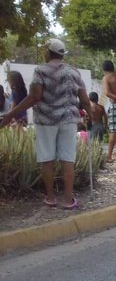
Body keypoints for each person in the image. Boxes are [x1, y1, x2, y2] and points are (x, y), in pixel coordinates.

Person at [0, 38, 92, 209]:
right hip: (68, 120)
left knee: (47, 158)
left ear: (48, 52)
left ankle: (50, 197)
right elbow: (85, 99)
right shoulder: (74, 72)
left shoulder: (41, 71)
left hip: (46, 120)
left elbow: (35, 96)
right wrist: (91, 116)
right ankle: (68, 200)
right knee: (68, 159)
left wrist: (10, 114)